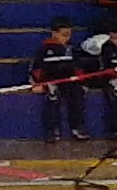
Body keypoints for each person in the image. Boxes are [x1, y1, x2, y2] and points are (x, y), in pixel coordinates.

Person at [30, 16, 90, 144]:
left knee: (77, 94)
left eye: (69, 35)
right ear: (54, 33)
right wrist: (37, 84)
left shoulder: (72, 49)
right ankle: (52, 130)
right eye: (64, 35)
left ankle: (77, 127)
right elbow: (36, 69)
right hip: (51, 82)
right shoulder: (44, 49)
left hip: (69, 81)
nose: (67, 38)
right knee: (52, 97)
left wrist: (82, 82)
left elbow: (78, 67)